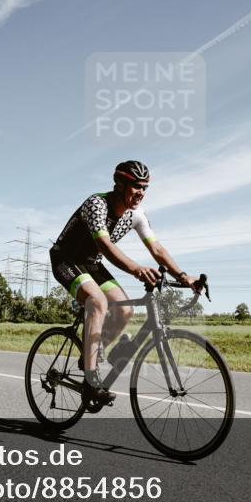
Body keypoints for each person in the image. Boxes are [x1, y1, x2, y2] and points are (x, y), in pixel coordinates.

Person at [50, 160, 200, 405]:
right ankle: (90, 380)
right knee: (97, 301)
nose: (140, 193)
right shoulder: (96, 204)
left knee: (125, 308)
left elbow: (157, 248)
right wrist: (136, 269)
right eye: (135, 186)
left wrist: (183, 276)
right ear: (119, 185)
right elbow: (105, 246)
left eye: (144, 187)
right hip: (65, 258)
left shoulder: (136, 215)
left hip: (91, 263)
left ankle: (89, 355)